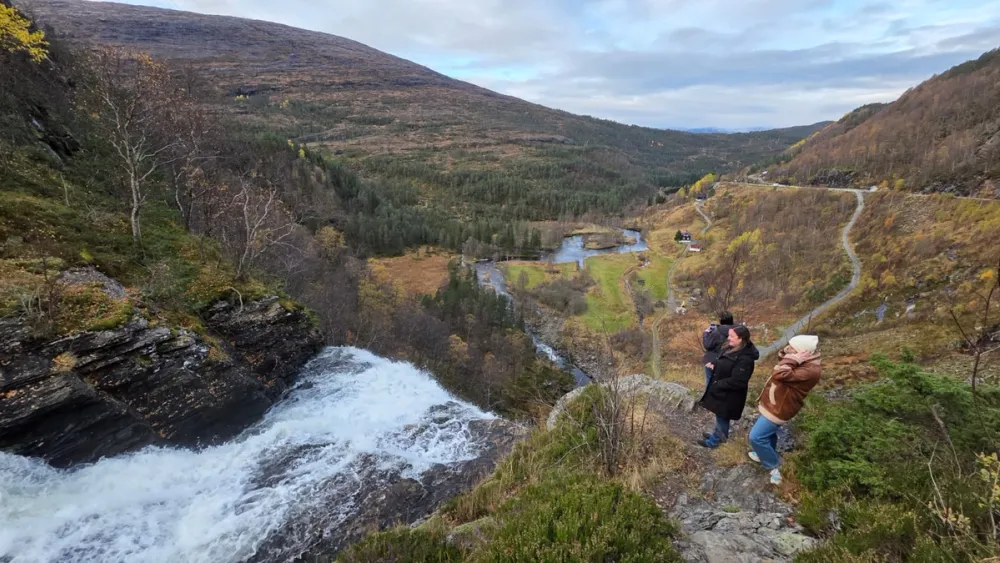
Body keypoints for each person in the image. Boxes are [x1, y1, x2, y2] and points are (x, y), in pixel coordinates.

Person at [748, 335, 822, 486]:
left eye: (792, 348)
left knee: (756, 437)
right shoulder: (803, 360)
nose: (787, 349)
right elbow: (782, 360)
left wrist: (793, 359)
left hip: (780, 408)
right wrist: (792, 355)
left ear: (802, 351)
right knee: (768, 434)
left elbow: (780, 373)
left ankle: (774, 465)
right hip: (775, 402)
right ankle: (764, 453)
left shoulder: (810, 370)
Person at [697, 325, 759, 448]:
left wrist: (718, 384)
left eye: (731, 336)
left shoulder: (745, 359)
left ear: (741, 339)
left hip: (730, 395)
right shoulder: (733, 348)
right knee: (720, 416)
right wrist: (715, 364)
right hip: (723, 391)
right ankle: (717, 435)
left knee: (722, 417)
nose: (728, 338)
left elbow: (738, 381)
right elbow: (725, 362)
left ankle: (714, 442)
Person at [702, 312, 735, 391]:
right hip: (729, 361)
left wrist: (706, 333)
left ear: (721, 321)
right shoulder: (737, 331)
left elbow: (707, 345)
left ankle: (709, 400)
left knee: (710, 381)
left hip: (712, 360)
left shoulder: (717, 332)